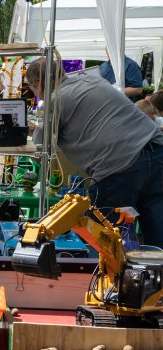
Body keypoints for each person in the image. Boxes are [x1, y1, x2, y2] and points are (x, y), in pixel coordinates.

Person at [27, 57, 163, 247]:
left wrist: (32, 129)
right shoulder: (92, 80)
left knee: (106, 242)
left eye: (33, 90)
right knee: (158, 236)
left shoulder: (55, 100)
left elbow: (42, 146)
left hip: (118, 166)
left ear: (39, 85)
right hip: (156, 150)